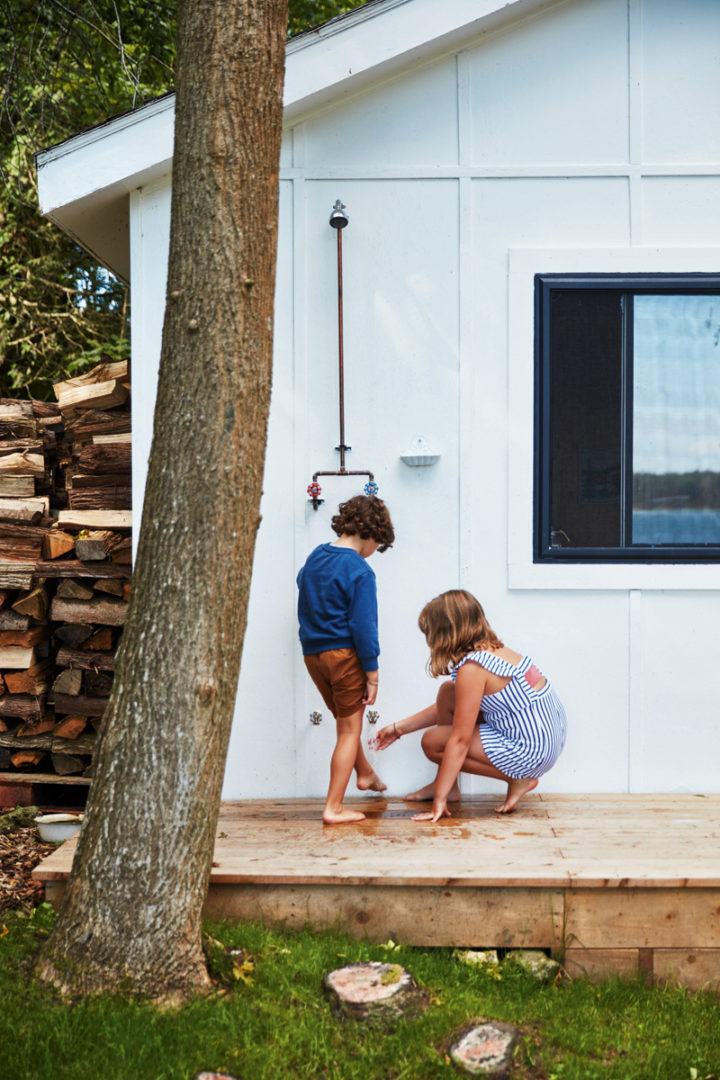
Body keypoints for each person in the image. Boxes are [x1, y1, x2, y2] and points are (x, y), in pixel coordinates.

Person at [372, 589, 566, 822]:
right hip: (547, 739)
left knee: (432, 742)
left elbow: (460, 740)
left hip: (530, 748)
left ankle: (517, 778)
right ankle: (447, 785)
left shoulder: (472, 669)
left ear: (445, 634)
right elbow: (462, 706)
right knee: (447, 693)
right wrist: (399, 728)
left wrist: (438, 802)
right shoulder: (496, 651)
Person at [297, 494, 395, 824]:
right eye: (377, 545)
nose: (374, 553)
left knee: (345, 722)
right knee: (349, 732)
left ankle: (364, 774)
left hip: (314, 655)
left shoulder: (315, 557)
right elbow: (364, 627)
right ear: (370, 534)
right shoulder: (360, 571)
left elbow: (303, 583)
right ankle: (334, 807)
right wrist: (372, 673)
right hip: (345, 657)